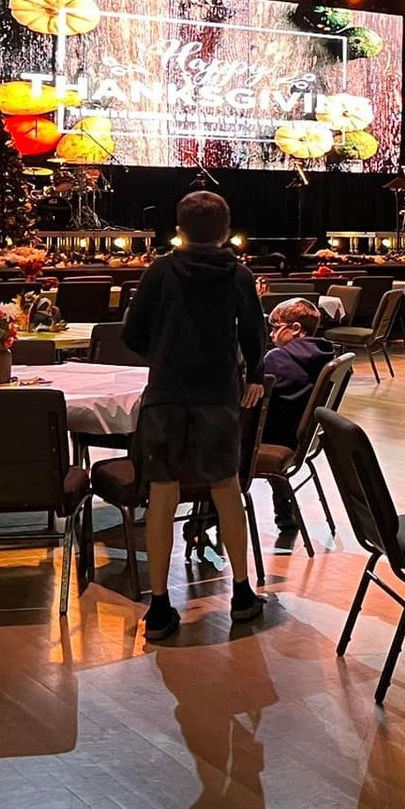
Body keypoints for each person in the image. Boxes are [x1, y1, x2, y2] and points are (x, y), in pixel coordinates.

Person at [122, 190, 267, 640]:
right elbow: (255, 333)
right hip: (218, 396)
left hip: (166, 396)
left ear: (179, 229)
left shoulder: (160, 271)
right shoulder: (238, 274)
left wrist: (163, 355)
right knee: (226, 488)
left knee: (163, 494)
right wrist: (253, 372)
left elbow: (132, 333)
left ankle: (161, 606)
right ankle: (242, 594)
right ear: (226, 230)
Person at [259, 298, 335, 531]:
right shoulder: (323, 354)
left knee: (214, 442)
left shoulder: (278, 360)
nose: (271, 334)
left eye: (275, 327)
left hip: (274, 438)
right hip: (299, 438)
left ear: (295, 329)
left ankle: (208, 519)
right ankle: (284, 512)